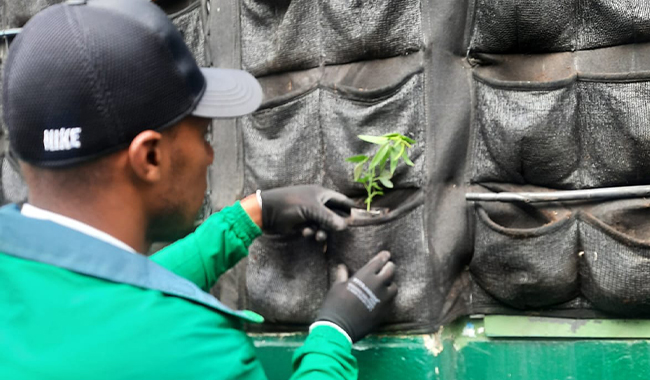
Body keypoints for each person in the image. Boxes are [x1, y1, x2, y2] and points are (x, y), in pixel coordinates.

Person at [0, 0, 399, 379]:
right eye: (205, 135)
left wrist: (250, 215)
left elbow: (93, 301)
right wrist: (333, 335)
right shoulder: (192, 350)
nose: (210, 156)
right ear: (150, 158)